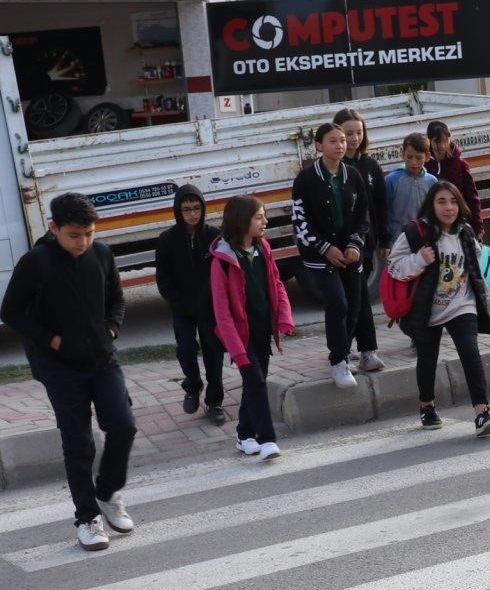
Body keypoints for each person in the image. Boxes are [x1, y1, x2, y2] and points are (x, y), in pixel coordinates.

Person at [0, 193, 136, 552]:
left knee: (123, 426)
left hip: (103, 360)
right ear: (53, 228)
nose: (83, 242)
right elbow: (11, 312)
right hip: (60, 367)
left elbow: (117, 298)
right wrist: (51, 340)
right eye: (74, 235)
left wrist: (110, 328)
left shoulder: (102, 254)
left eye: (89, 234)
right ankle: (87, 518)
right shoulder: (36, 263)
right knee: (79, 443)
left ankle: (107, 492)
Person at [388, 181, 490, 437]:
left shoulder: (465, 232)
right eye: (441, 201)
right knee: (427, 360)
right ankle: (427, 406)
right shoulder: (416, 233)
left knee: (470, 353)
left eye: (453, 201)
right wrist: (419, 260)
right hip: (427, 310)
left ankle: (482, 412)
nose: (448, 207)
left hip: (461, 305)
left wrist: (488, 297)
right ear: (431, 205)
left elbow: (475, 269)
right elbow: (393, 266)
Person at [208, 194, 294, 462]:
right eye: (259, 217)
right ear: (242, 220)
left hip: (261, 330)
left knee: (254, 383)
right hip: (239, 336)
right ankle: (266, 439)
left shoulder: (264, 248)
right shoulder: (222, 260)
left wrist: (283, 317)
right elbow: (222, 313)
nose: (265, 221)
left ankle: (244, 434)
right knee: (255, 380)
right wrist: (236, 350)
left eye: (263, 216)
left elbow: (277, 283)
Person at [291, 120, 371, 388]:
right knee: (337, 303)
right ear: (318, 145)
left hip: (349, 254)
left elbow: (363, 217)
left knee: (354, 308)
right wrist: (325, 248)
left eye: (343, 140)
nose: (340, 145)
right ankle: (338, 362)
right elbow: (300, 222)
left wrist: (354, 244)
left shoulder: (353, 175)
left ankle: (344, 355)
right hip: (319, 255)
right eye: (333, 141)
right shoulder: (306, 178)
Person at [153, 183, 226, 424]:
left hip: (210, 307)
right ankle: (192, 387)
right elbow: (163, 278)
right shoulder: (166, 240)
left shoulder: (214, 235)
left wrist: (212, 301)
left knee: (213, 354)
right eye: (187, 209)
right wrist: (179, 302)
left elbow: (222, 272)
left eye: (196, 208)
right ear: (177, 211)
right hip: (182, 308)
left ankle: (215, 401)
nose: (193, 213)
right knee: (185, 348)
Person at [335, 107, 387, 375]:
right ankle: (341, 352)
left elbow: (380, 205)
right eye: (347, 133)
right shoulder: (334, 170)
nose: (353, 138)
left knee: (361, 298)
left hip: (365, 245)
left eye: (358, 132)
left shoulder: (370, 166)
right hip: (336, 248)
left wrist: (384, 239)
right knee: (344, 301)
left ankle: (366, 351)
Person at [384, 133, 437, 245]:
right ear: (402, 154)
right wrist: (385, 240)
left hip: (423, 238)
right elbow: (383, 212)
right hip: (396, 239)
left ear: (427, 157)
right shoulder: (392, 180)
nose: (413, 162)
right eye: (409, 157)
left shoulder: (432, 182)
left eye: (418, 157)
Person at [425, 120, 482, 225]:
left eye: (445, 140)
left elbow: (472, 197)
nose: (442, 146)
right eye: (437, 142)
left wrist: (477, 225)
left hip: (458, 221)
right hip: (432, 222)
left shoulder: (460, 164)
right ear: (429, 141)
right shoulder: (424, 164)